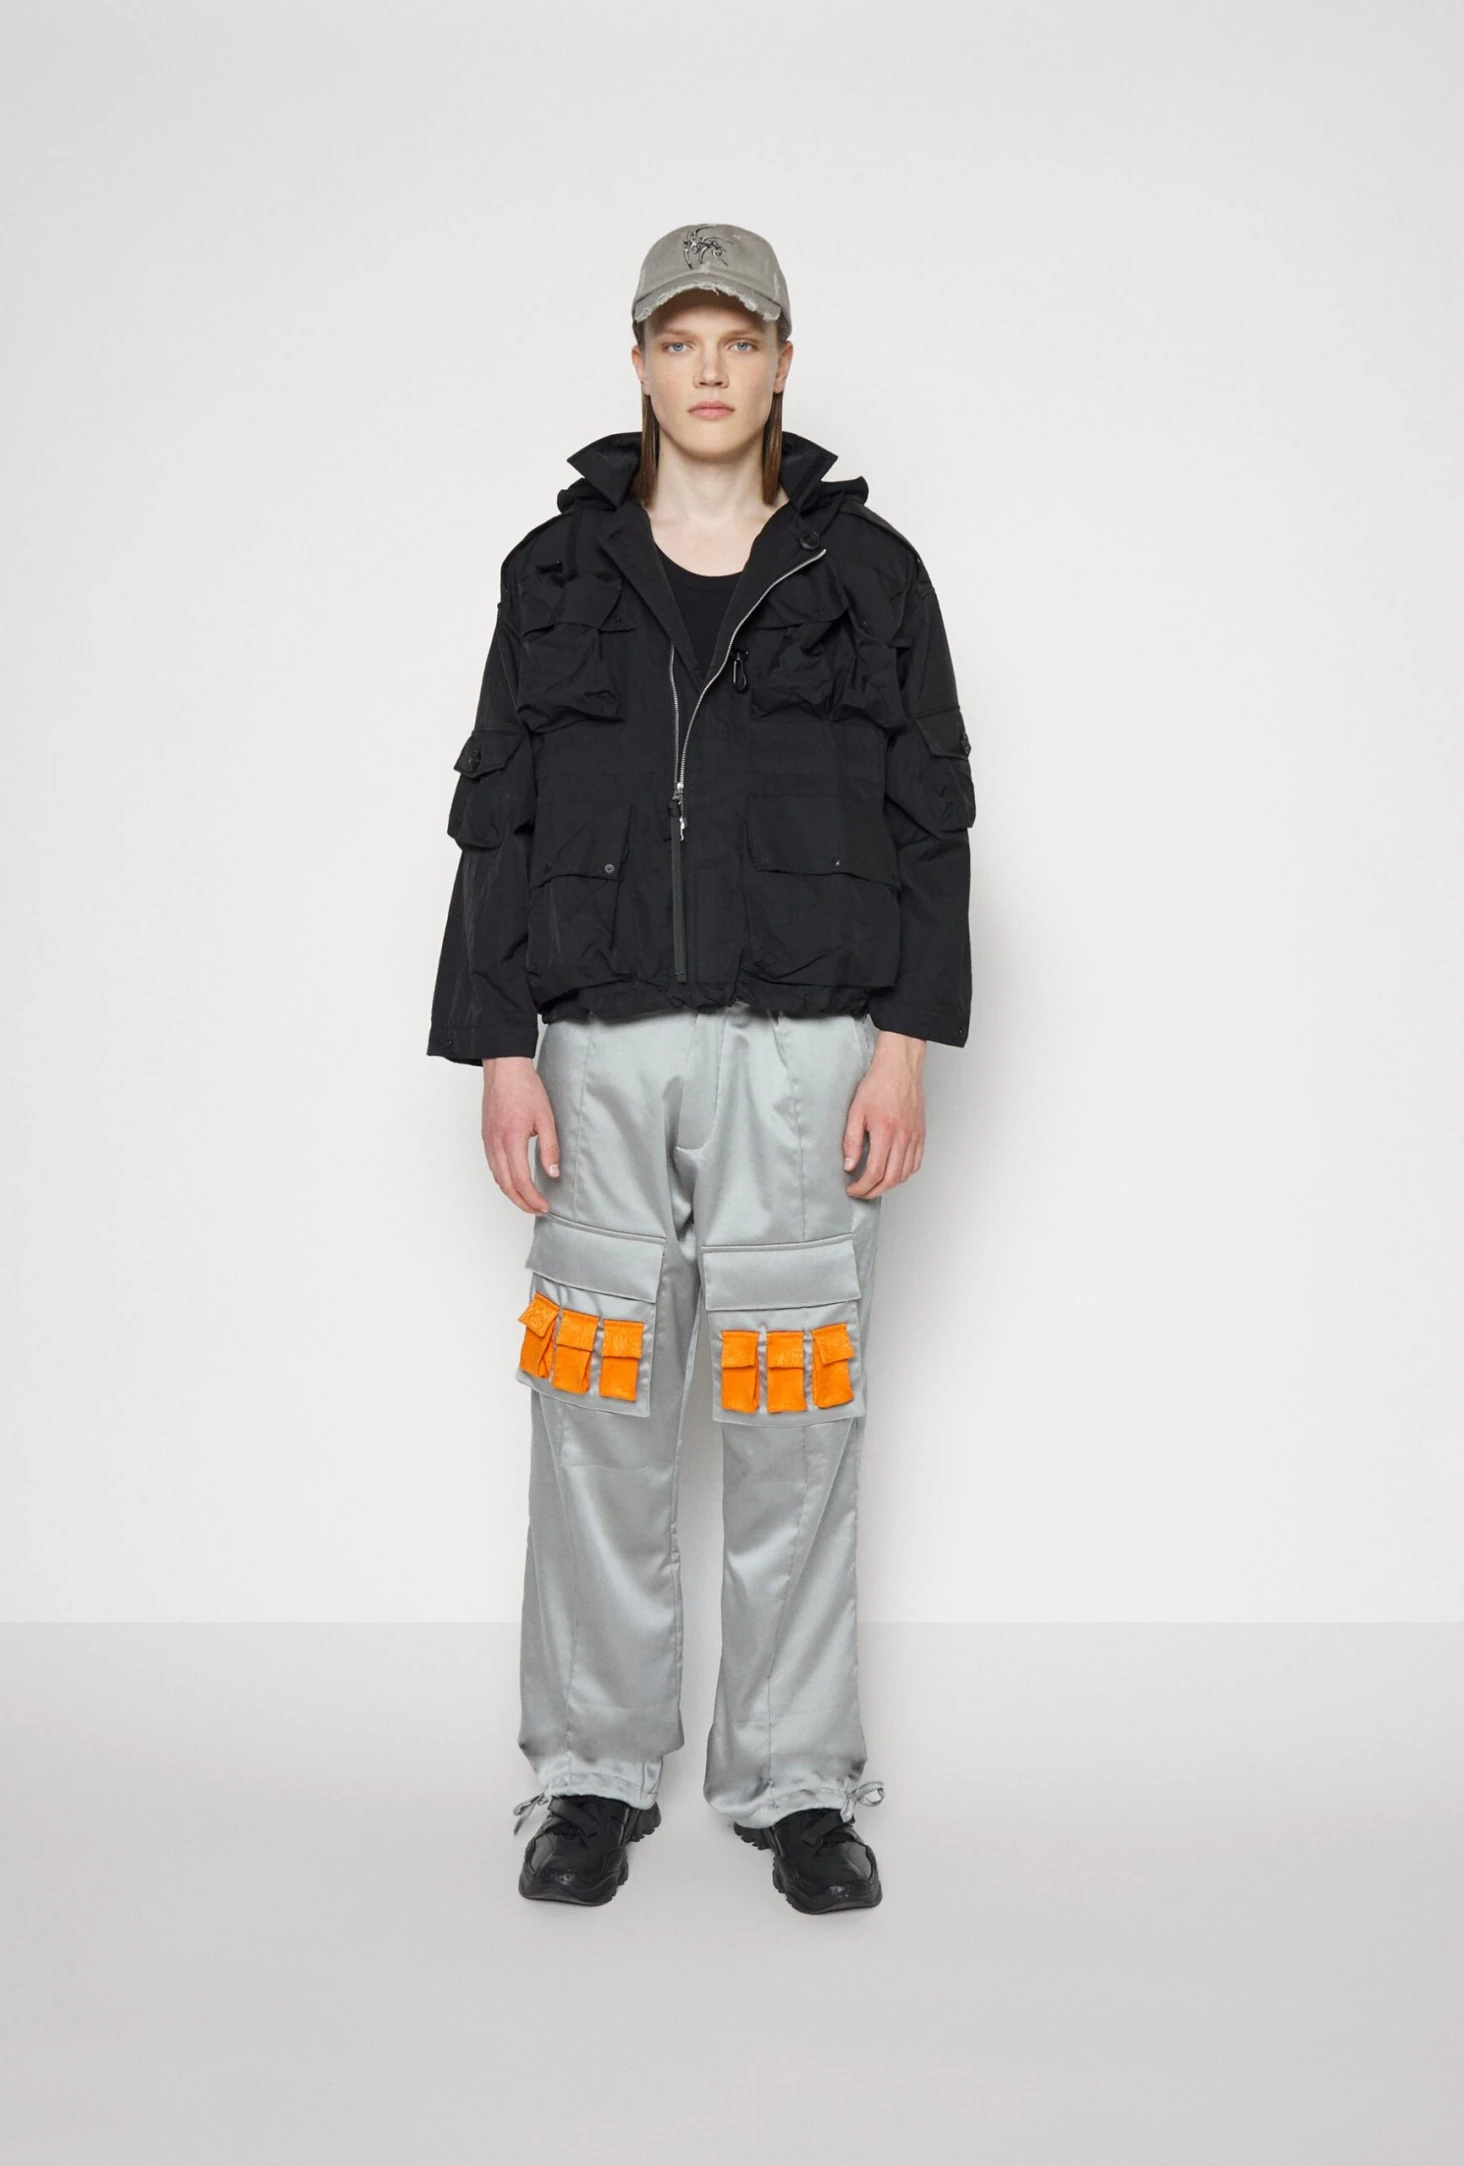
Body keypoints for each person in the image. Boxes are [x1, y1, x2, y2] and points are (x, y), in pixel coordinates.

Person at [428, 222, 975, 1913]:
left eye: (741, 340)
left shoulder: (867, 573)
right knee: (595, 1411)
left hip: (810, 1054)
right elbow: (496, 812)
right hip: (597, 1048)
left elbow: (934, 817)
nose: (712, 370)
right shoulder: (554, 572)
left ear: (784, 361)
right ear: (643, 363)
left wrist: (905, 1046)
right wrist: (497, 1045)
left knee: (797, 1422)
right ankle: (591, 1770)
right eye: (682, 341)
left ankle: (797, 1780)